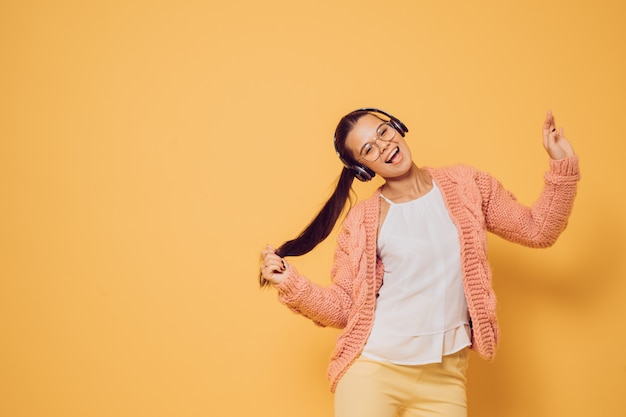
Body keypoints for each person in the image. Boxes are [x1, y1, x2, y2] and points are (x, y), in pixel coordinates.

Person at [259, 108, 579, 417]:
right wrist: (291, 283)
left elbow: (538, 229)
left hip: (446, 378)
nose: (384, 145)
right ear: (362, 169)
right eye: (369, 149)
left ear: (397, 127)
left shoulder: (466, 185)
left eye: (384, 131)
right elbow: (345, 308)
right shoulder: (362, 222)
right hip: (375, 373)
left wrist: (561, 163)